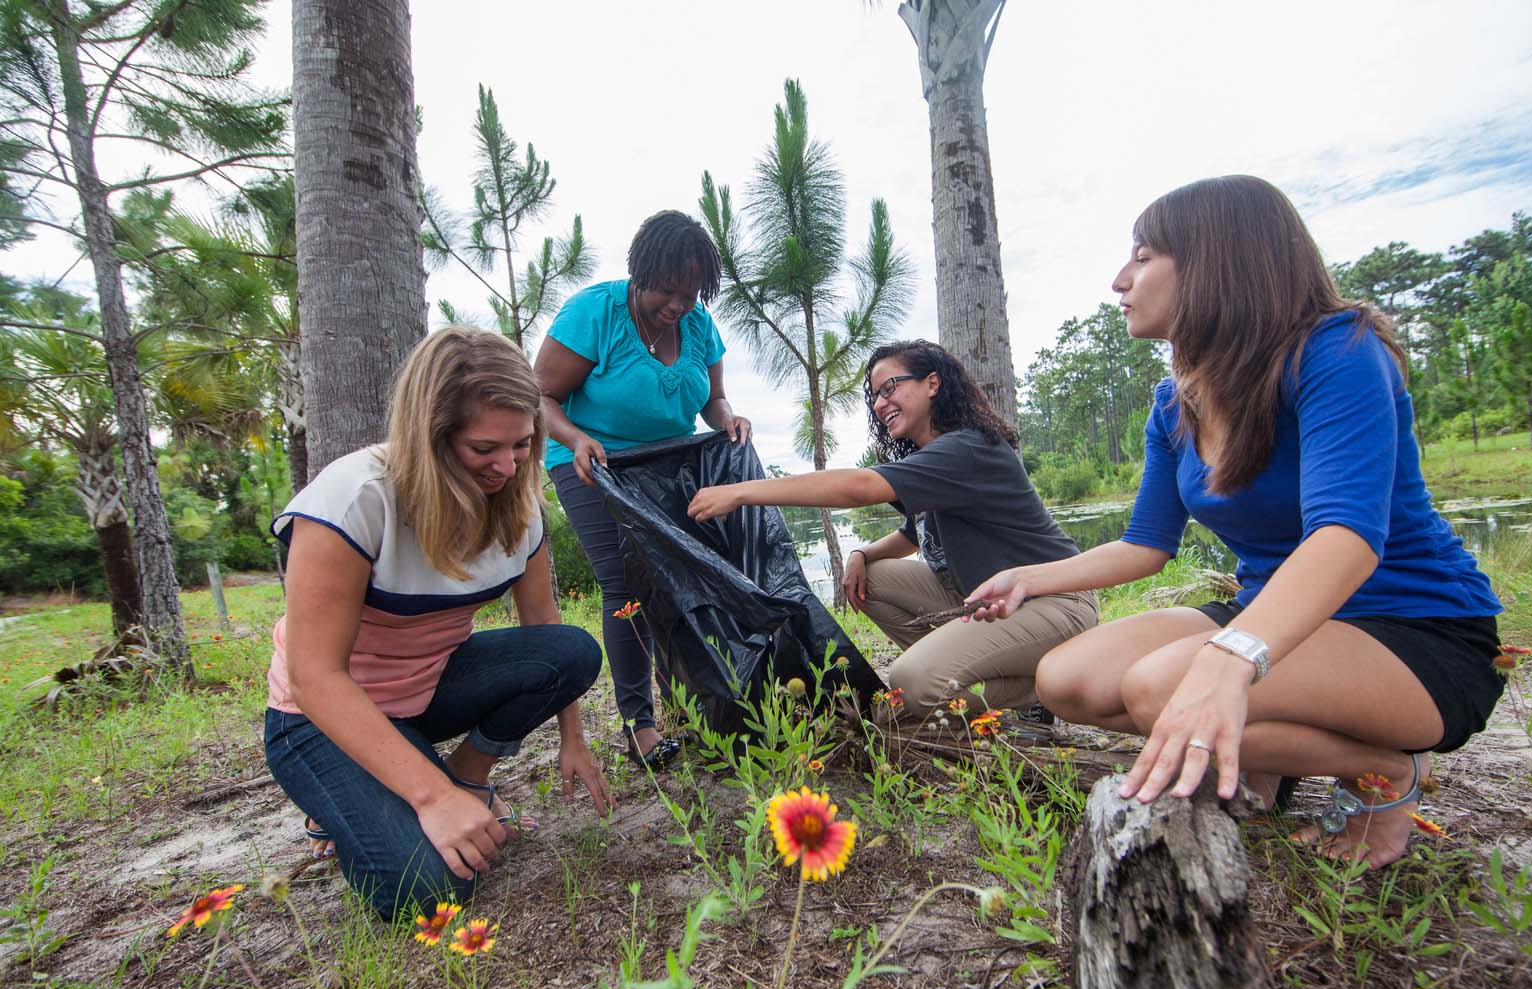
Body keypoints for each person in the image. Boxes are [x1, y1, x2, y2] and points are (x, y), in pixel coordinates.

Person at [967, 176, 1505, 867]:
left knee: (1160, 688)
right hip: (1270, 613)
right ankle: (1271, 768)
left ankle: (1384, 774)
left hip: (1414, 628)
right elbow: (1145, 545)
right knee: (1068, 677)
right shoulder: (1173, 405)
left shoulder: (1338, 350)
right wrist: (1028, 577)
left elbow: (1346, 539)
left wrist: (1230, 659)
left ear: (1216, 262)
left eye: (1143, 256)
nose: (1119, 280)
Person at [264, 326, 613, 921]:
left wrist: (572, 738)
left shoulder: (520, 509)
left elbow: (544, 625)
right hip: (319, 717)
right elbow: (315, 676)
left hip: (427, 691)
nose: (506, 466)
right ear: (431, 436)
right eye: (484, 449)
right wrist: (430, 799)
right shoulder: (353, 500)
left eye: (522, 444)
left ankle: (466, 777)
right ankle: (347, 799)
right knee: (427, 894)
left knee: (573, 650)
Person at [687, 340, 1099, 723]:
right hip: (989, 598)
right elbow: (914, 535)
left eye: (891, 388)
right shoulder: (933, 456)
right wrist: (861, 554)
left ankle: (1039, 690)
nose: (882, 403)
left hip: (1054, 600)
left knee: (913, 685)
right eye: (876, 396)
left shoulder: (967, 448)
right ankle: (964, 671)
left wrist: (741, 492)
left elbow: (860, 487)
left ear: (933, 383)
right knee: (874, 579)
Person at [535, 210, 750, 770]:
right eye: (668, 290)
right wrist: (576, 438)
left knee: (678, 579)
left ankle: (689, 702)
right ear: (640, 271)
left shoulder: (699, 326)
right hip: (593, 462)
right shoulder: (596, 313)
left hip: (668, 463)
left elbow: (713, 398)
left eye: (691, 293)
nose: (678, 305)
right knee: (626, 585)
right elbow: (540, 397)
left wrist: (728, 419)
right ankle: (640, 723)